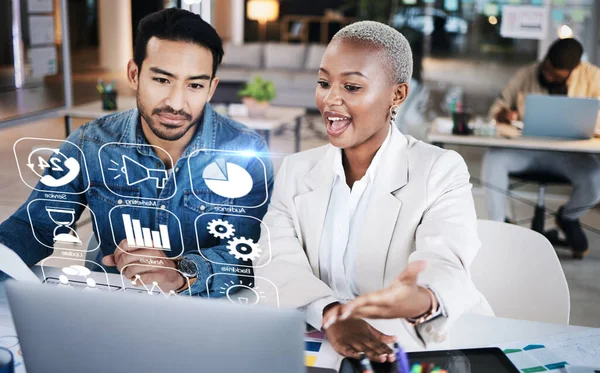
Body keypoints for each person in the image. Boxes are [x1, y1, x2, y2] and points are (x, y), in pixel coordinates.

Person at [254, 21, 492, 362]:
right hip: (328, 344)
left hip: (420, 346)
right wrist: (333, 314)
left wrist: (422, 298)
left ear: (397, 95)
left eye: (351, 87)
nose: (330, 99)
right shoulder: (296, 170)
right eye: (323, 83)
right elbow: (274, 260)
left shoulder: (439, 169)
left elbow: (446, 261)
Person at [0, 8, 274, 296]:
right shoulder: (90, 144)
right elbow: (33, 225)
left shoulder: (246, 153)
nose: (176, 103)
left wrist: (183, 272)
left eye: (194, 85)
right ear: (134, 74)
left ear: (211, 88)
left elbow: (251, 257)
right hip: (111, 302)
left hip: (206, 309)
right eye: (161, 80)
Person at [482, 38, 600, 259]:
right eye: (546, 68)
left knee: (595, 177)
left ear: (574, 70)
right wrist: (503, 114)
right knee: (494, 159)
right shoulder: (526, 74)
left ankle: (568, 217)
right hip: (527, 150)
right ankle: (499, 225)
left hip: (570, 154)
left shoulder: (593, 77)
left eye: (555, 74)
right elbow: (496, 109)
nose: (547, 75)